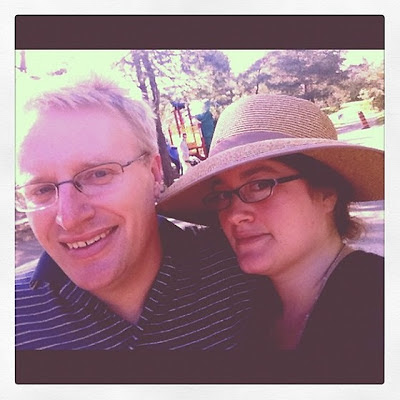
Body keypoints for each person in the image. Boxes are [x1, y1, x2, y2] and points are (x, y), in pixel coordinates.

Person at [15, 77, 268, 358]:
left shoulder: (244, 273)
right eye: (41, 190)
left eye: (99, 174)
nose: (69, 218)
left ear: (154, 173)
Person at [158, 94, 384, 382]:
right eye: (223, 194)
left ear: (327, 192)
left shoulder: (379, 303)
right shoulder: (247, 306)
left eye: (260, 184)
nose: (234, 215)